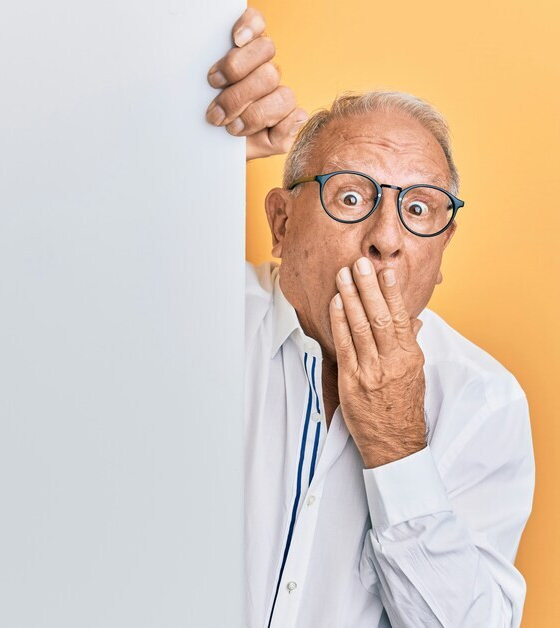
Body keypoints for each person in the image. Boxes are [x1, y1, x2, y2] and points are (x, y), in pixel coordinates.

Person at [206, 8, 536, 628]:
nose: (386, 238)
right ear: (281, 222)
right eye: (352, 197)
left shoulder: (483, 403)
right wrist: (179, 144)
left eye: (418, 208)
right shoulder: (201, 319)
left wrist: (396, 443)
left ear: (440, 255)